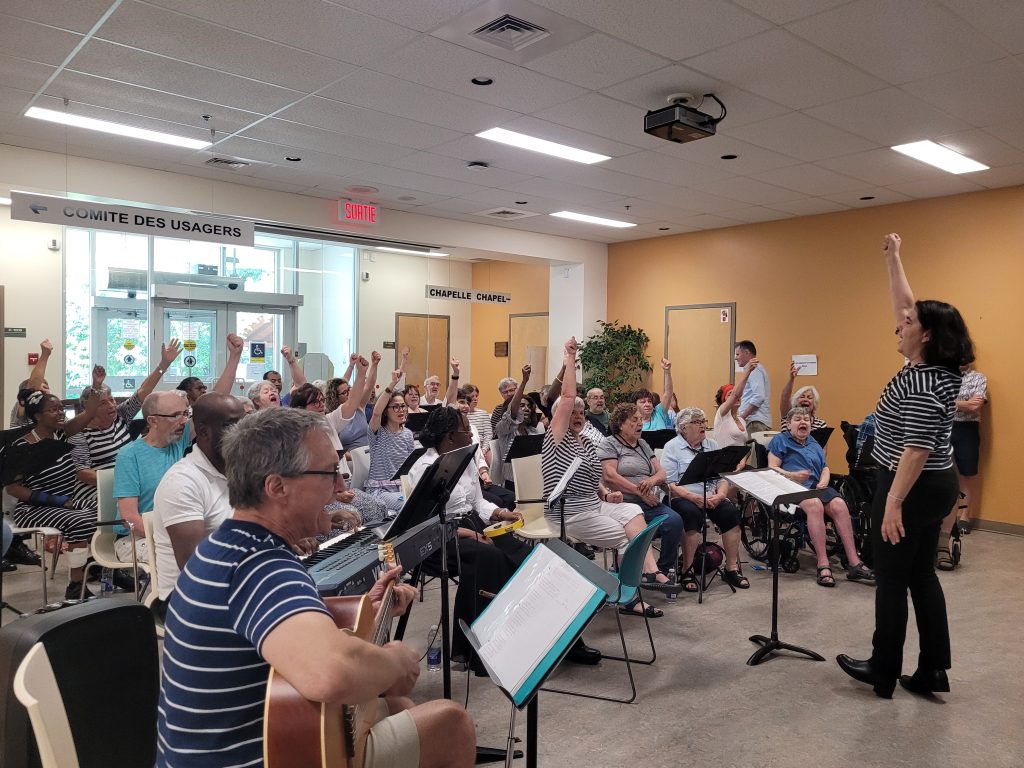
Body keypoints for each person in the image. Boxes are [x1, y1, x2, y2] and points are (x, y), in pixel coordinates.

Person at [156, 407, 475, 768]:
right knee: (452, 724)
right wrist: (396, 662)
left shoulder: (231, 546)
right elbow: (331, 672)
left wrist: (369, 612)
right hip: (258, 757)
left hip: (248, 743)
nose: (342, 487)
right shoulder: (259, 566)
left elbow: (297, 642)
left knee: (397, 706)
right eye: (329, 473)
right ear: (277, 487)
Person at [838, 233, 974, 699]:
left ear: (927, 335)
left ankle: (883, 669)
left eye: (909, 324)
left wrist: (893, 503)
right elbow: (905, 304)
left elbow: (915, 449)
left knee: (892, 579)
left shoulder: (921, 382)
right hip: (935, 482)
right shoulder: (936, 368)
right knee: (921, 575)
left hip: (910, 484)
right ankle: (933, 670)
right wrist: (894, 258)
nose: (899, 325)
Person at [542, 338, 669, 617]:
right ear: (559, 418)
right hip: (569, 512)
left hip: (594, 504)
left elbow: (595, 477)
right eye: (572, 413)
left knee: (633, 510)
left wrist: (606, 493)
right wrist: (570, 359)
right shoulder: (555, 438)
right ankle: (628, 598)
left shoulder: (587, 441)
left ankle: (648, 571)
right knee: (626, 538)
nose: (578, 416)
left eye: (581, 412)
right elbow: (566, 397)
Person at [408, 407, 540, 669]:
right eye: (466, 430)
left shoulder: (465, 458)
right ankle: (477, 649)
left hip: (472, 524)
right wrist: (469, 533)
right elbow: (424, 522)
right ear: (449, 436)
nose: (472, 435)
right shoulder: (425, 468)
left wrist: (502, 513)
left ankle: (522, 631)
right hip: (440, 536)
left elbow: (478, 503)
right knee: (490, 557)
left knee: (524, 554)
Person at [150, 392, 245, 620]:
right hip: (188, 598)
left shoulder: (242, 471)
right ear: (203, 432)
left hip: (233, 584)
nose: (243, 433)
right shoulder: (182, 482)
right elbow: (195, 566)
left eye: (244, 423)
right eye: (232, 425)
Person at [4, 390, 101, 598]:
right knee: (81, 520)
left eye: (61, 409)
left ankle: (102, 566)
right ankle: (76, 585)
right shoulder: (22, 446)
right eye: (53, 410)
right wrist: (58, 501)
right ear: (38, 416)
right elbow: (13, 489)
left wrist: (96, 387)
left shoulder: (60, 436)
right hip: (33, 509)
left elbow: (90, 412)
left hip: (66, 503)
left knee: (108, 510)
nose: (60, 413)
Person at [768, 407, 874, 588]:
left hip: (816, 486)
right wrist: (792, 475)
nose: (803, 422)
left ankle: (854, 562)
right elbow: (772, 468)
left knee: (840, 504)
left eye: (806, 419)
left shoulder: (813, 442)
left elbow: (824, 466)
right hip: (791, 488)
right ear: (788, 424)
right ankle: (823, 564)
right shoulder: (780, 440)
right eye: (798, 419)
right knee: (815, 504)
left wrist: (824, 479)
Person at [71, 341, 184, 505]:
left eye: (112, 400)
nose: (112, 406)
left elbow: (143, 392)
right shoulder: (80, 433)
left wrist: (164, 364)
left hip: (130, 481)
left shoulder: (120, 415)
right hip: (97, 490)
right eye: (103, 403)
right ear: (90, 408)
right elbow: (82, 473)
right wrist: (125, 478)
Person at [662, 408, 748, 592]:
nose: (703, 425)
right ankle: (687, 570)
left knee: (731, 513)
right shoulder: (672, 447)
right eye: (697, 422)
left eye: (703, 421)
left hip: (711, 496)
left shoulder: (712, 445)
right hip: (682, 497)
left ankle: (731, 568)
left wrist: (721, 495)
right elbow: (669, 484)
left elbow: (721, 477)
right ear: (684, 428)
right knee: (690, 514)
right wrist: (694, 497)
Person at [597, 403, 682, 585]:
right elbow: (610, 475)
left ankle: (662, 569)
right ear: (620, 424)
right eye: (634, 420)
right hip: (624, 503)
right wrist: (639, 492)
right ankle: (638, 571)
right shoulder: (609, 444)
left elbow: (662, 473)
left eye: (641, 419)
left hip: (648, 502)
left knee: (674, 521)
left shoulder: (642, 444)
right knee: (639, 528)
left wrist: (652, 481)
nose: (640, 423)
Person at [112, 390, 192, 563]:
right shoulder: (130, 455)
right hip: (135, 538)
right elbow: (129, 518)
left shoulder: (177, 441)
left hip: (173, 532)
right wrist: (169, 538)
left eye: (185, 413)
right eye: (175, 415)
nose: (183, 420)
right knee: (180, 557)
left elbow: (215, 405)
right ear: (153, 421)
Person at [366, 368, 415, 514]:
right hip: (379, 491)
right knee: (408, 503)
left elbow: (411, 467)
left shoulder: (407, 434)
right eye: (395, 407)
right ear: (386, 411)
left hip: (401, 488)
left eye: (403, 406)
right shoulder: (377, 432)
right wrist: (392, 383)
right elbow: (376, 412)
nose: (401, 410)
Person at [494, 365, 545, 490]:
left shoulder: (532, 429)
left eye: (528, 406)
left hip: (532, 477)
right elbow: (512, 412)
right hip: (513, 481)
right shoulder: (504, 428)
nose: (526, 408)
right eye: (522, 405)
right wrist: (524, 381)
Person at [712, 358, 759, 449]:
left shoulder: (741, 420)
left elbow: (744, 445)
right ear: (724, 401)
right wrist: (747, 371)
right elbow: (736, 395)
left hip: (740, 457)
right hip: (724, 456)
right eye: (729, 395)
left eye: (733, 394)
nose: (736, 398)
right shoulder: (722, 414)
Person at [8, 339, 53, 429]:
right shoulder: (22, 404)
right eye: (40, 389)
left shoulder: (52, 407)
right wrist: (45, 355)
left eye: (45, 388)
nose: (43, 391)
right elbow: (31, 391)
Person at [735, 340, 771, 435]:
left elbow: (759, 397)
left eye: (738, 354)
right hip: (754, 421)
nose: (735, 358)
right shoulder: (753, 369)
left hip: (755, 422)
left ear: (747, 353)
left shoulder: (754, 369)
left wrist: (742, 417)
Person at [779, 361, 827, 431]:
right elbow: (785, 398)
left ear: (814, 403)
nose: (805, 399)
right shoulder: (789, 416)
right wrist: (791, 379)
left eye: (809, 397)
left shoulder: (821, 424)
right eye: (802, 397)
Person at [630, 357, 675, 431]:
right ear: (635, 405)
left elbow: (668, 393)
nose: (647, 404)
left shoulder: (659, 412)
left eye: (649, 401)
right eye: (643, 402)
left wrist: (667, 371)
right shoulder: (631, 423)